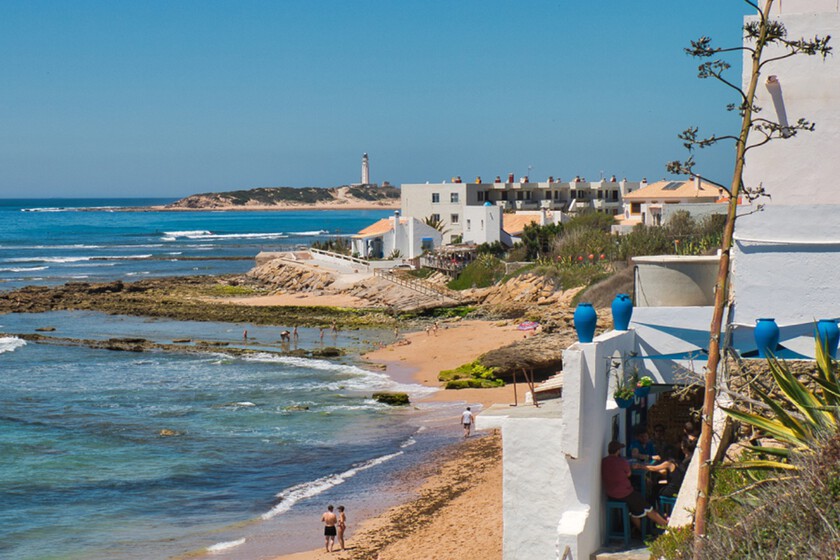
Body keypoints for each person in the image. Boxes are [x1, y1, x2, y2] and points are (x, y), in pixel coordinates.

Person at [602, 441, 668, 530]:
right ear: (618, 451)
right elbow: (629, 474)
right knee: (647, 507)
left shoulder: (604, 461)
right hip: (624, 493)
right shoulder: (622, 461)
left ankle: (641, 531)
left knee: (634, 510)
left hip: (610, 494)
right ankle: (665, 526)